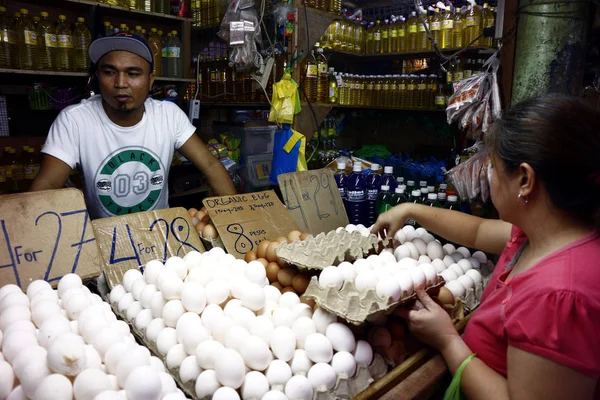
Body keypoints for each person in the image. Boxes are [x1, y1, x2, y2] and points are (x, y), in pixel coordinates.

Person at [372, 94, 600, 399]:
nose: (487, 177)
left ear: (524, 180)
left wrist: (448, 341)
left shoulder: (558, 296)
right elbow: (478, 231)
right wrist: (411, 209)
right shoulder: (544, 234)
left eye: (492, 167)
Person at [30, 33, 236, 219]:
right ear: (97, 78)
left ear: (150, 80)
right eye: (109, 72)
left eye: (133, 73)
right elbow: (47, 187)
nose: (121, 83)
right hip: (104, 240)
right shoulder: (75, 120)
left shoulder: (168, 115)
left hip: (160, 234)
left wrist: (236, 220)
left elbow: (211, 166)